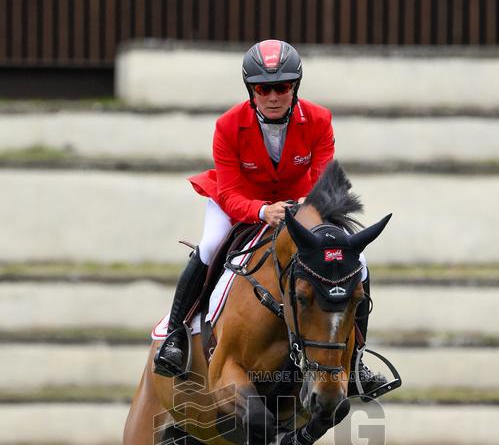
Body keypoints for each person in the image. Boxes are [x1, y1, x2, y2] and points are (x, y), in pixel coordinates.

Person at [153, 38, 385, 399]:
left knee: (361, 261)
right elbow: (229, 193)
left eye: (282, 87)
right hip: (240, 201)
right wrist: (261, 210)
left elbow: (324, 180)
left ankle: (356, 361)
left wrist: (302, 208)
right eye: (264, 89)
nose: (274, 96)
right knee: (211, 244)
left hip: (301, 207)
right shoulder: (228, 126)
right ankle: (175, 335)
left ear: (294, 87)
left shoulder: (320, 120)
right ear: (251, 91)